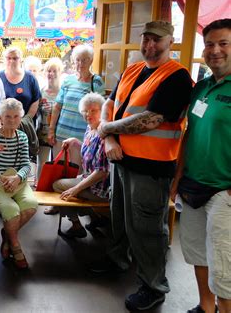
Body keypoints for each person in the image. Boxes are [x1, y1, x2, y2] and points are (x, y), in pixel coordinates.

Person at [95, 20, 194, 311]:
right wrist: (109, 136)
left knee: (148, 228)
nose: (150, 45)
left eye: (157, 40)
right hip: (120, 160)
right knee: (119, 217)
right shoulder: (133, 69)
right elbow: (108, 103)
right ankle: (117, 260)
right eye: (146, 38)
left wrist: (106, 129)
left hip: (151, 168)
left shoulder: (177, 77)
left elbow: (150, 120)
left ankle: (154, 286)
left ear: (170, 43)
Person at [170, 19, 231, 313]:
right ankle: (207, 308)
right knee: (198, 254)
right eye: (209, 44)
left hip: (224, 191)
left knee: (222, 262)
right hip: (192, 185)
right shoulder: (203, 87)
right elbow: (190, 133)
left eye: (224, 43)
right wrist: (177, 179)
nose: (215, 50)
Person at [0, 98, 38, 269]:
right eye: (7, 116)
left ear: (21, 117)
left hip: (16, 181)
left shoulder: (22, 137)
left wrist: (17, 177)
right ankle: (15, 245)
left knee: (31, 205)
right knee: (12, 210)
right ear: (1, 117)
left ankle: (8, 234)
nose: (12, 120)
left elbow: (26, 165)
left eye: (16, 116)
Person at [45, 44, 104, 215]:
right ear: (73, 61)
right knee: (58, 170)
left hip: (83, 137)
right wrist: (51, 130)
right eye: (77, 60)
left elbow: (101, 108)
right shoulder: (68, 80)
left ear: (91, 61)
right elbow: (57, 107)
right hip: (62, 133)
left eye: (84, 60)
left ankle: (73, 211)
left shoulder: (96, 81)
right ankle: (56, 204)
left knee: (76, 173)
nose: (80, 63)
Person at [52, 92, 110, 239]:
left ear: (102, 111)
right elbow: (88, 152)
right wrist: (75, 142)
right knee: (68, 185)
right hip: (91, 181)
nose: (88, 114)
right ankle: (96, 217)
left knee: (58, 186)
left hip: (101, 190)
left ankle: (77, 225)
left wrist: (76, 189)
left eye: (93, 110)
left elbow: (102, 172)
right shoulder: (90, 128)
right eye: (85, 111)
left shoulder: (103, 134)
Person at [0, 46, 41, 164]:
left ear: (21, 60)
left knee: (23, 159)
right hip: (4, 126)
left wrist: (26, 119)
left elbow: (35, 99)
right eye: (9, 58)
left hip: (24, 126)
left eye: (15, 58)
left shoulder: (30, 78)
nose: (12, 61)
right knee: (5, 157)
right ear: (4, 59)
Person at [36, 57, 62, 182]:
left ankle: (53, 186)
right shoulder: (40, 91)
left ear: (60, 73)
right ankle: (39, 187)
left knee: (58, 162)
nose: (51, 74)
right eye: (48, 71)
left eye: (54, 71)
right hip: (42, 133)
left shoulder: (63, 91)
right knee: (42, 162)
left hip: (59, 133)